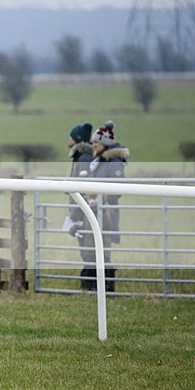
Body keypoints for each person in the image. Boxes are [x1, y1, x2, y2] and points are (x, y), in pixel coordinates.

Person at [70, 121, 130, 292]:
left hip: (105, 212)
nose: (93, 144)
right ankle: (94, 286)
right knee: (92, 249)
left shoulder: (114, 162)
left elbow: (116, 190)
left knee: (103, 251)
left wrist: (98, 197)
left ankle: (106, 287)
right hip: (95, 210)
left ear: (105, 143)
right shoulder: (98, 161)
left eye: (97, 142)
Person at [65, 123, 95, 290]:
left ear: (76, 139)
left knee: (88, 250)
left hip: (83, 213)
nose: (68, 139)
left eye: (71, 136)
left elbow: (81, 190)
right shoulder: (83, 157)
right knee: (87, 249)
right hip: (82, 212)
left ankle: (90, 285)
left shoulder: (83, 159)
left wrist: (75, 215)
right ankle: (89, 284)